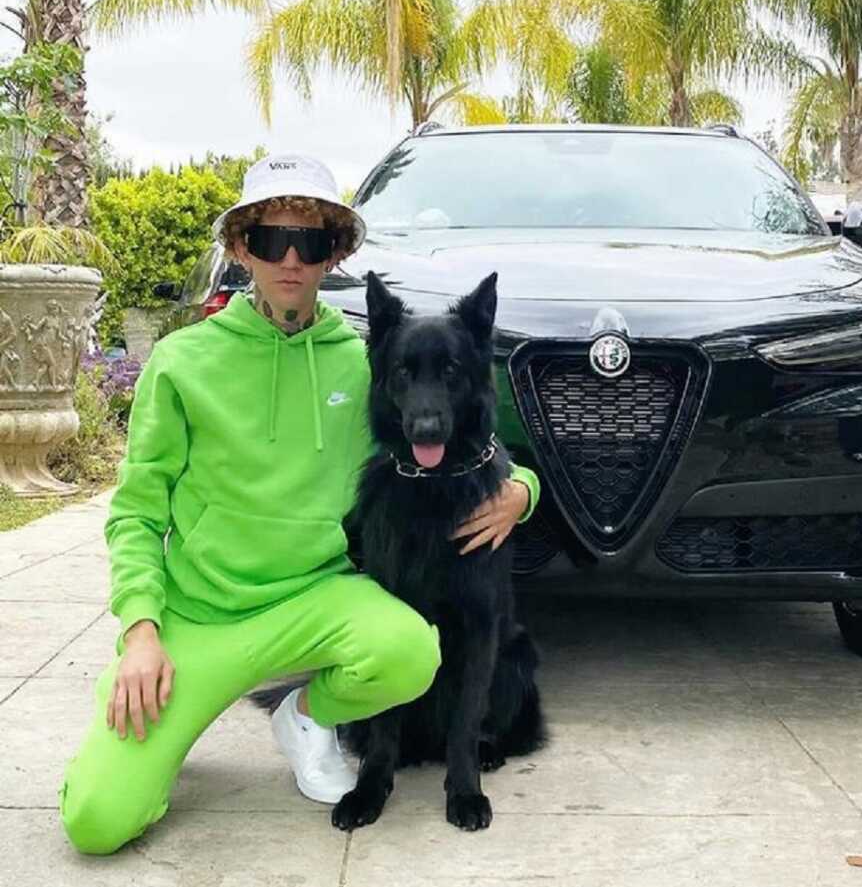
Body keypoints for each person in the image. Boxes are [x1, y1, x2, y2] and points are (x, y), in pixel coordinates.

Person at [57, 152, 541, 855]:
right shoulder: (181, 361)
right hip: (202, 616)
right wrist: (140, 629)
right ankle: (168, 736)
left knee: (410, 647)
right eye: (269, 240)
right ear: (239, 247)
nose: (290, 258)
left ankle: (305, 713)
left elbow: (466, 435)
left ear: (332, 254)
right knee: (96, 820)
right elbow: (136, 511)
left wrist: (521, 490)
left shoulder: (362, 360)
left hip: (317, 601)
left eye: (310, 242)